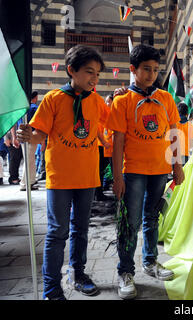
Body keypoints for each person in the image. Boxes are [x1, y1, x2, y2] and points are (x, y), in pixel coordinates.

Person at [16, 45, 108, 300]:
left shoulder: (98, 101)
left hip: (88, 177)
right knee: (58, 231)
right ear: (71, 71)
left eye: (98, 74)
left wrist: (121, 95)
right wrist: (28, 135)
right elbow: (39, 135)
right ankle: (51, 288)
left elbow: (110, 122)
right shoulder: (53, 99)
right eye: (90, 72)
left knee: (81, 229)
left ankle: (79, 274)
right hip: (60, 178)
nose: (94, 79)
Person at [105, 44, 185, 300]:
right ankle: (125, 271)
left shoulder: (166, 98)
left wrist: (177, 165)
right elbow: (117, 142)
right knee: (130, 223)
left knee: (152, 220)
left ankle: (150, 262)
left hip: (160, 171)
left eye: (155, 70)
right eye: (146, 69)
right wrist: (117, 177)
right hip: (134, 173)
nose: (151, 75)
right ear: (133, 70)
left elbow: (174, 133)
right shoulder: (123, 101)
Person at [17, 91, 40, 191]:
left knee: (29, 160)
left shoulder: (22, 108)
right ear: (34, 98)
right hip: (32, 136)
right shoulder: (34, 108)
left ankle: (30, 181)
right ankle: (24, 183)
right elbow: (38, 124)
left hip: (22, 136)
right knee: (29, 160)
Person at [94, 94, 113, 201]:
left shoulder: (112, 115)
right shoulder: (102, 115)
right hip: (101, 146)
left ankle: (99, 192)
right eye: (105, 101)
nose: (106, 104)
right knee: (99, 170)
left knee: (105, 171)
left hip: (110, 148)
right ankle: (98, 193)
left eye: (108, 101)